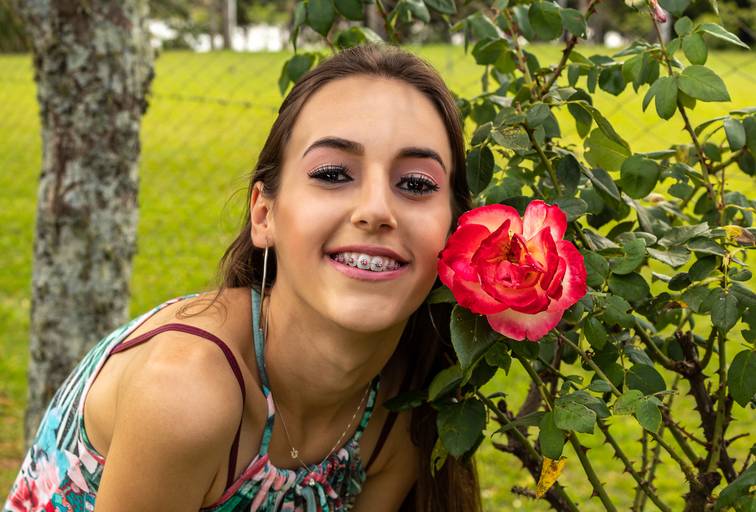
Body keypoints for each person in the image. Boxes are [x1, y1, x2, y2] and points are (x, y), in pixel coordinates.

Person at [5, 43, 482, 511]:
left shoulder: (402, 406)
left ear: (455, 229)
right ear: (263, 214)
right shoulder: (185, 394)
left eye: (416, 183)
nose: (376, 210)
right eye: (333, 174)